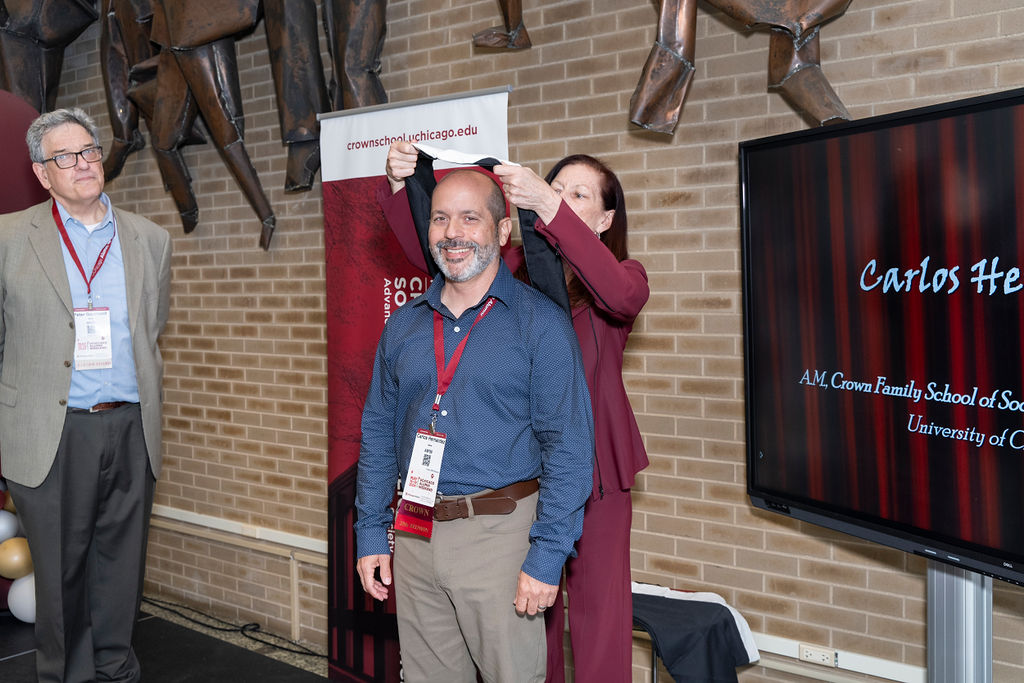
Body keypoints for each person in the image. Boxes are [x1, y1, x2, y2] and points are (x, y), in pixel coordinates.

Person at [382, 141, 650, 682]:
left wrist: (551, 211)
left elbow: (620, 297)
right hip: (524, 476)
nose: (564, 201)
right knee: (531, 617)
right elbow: (441, 255)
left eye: (579, 195)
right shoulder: (517, 279)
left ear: (605, 218)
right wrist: (399, 186)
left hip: (595, 471)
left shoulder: (623, 276)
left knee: (601, 621)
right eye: (556, 190)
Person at [355, 168, 595, 683]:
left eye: (470, 217)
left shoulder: (540, 324)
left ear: (502, 231)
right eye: (440, 218)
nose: (452, 232)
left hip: (502, 536)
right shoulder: (404, 324)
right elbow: (376, 429)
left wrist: (547, 556)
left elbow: (570, 449)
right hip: (414, 533)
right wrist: (371, 530)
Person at [0, 107, 172, 682]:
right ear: (42, 174)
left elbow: (151, 329)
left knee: (122, 569)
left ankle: (117, 671)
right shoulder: (6, 238)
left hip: (129, 427)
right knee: (61, 575)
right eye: (65, 156)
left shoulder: (150, 240)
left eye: (91, 151)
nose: (83, 164)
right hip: (52, 433)